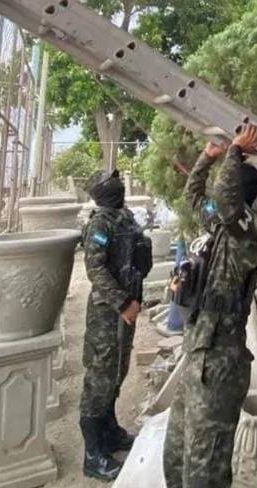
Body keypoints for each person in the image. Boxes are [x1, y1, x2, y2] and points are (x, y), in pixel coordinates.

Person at [163, 124, 257, 488]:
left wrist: (235, 152)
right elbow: (193, 197)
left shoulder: (247, 235)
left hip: (221, 364)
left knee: (204, 471)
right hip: (196, 354)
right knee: (176, 454)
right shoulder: (218, 225)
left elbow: (222, 197)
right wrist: (207, 158)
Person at [80, 169, 151, 481]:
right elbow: (95, 269)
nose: (118, 185)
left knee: (117, 371)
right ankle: (93, 453)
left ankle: (110, 431)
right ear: (100, 191)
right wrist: (123, 303)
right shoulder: (99, 224)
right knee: (100, 376)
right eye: (112, 182)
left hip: (128, 308)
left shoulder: (125, 216)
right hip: (107, 313)